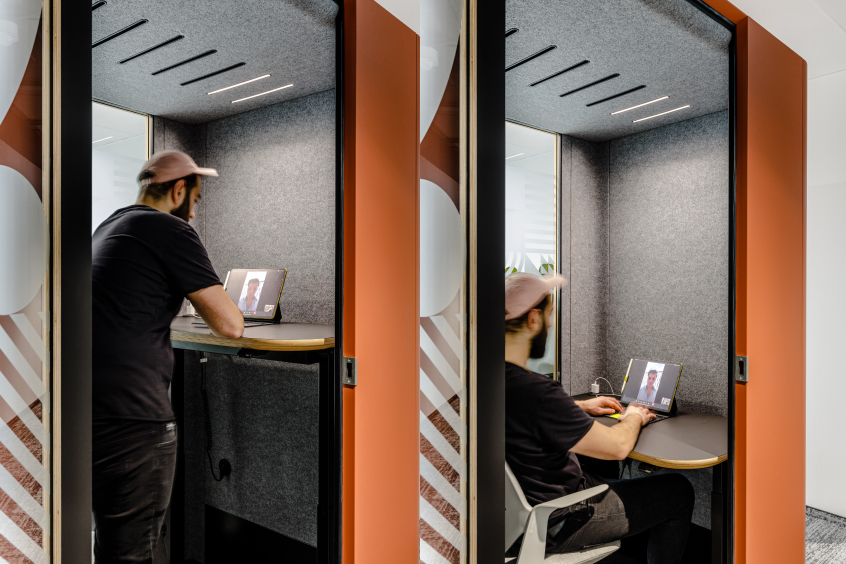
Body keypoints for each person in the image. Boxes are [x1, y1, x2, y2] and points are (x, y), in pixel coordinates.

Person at [92, 150, 244, 563]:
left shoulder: (110, 226)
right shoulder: (169, 229)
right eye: (194, 202)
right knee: (132, 551)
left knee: (109, 540)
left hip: (90, 412)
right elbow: (231, 325)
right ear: (179, 190)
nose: (193, 215)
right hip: (134, 419)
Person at [505, 273, 694, 564]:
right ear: (533, 319)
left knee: (597, 468)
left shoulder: (491, 380)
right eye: (549, 315)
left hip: (514, 516)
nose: (551, 324)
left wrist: (578, 406)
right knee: (679, 490)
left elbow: (525, 411)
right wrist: (633, 416)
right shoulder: (537, 391)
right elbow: (618, 446)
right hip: (560, 518)